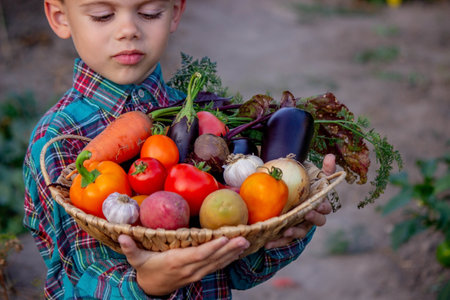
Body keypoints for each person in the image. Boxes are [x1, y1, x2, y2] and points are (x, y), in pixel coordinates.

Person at [23, 0, 336, 298]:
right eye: (103, 15)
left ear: (175, 12)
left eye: (148, 12)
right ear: (60, 17)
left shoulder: (201, 117)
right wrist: (147, 284)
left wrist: (286, 223)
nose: (128, 30)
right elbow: (77, 282)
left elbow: (240, 271)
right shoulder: (61, 142)